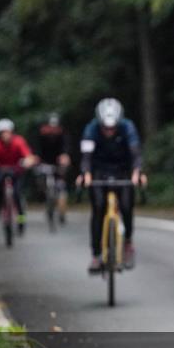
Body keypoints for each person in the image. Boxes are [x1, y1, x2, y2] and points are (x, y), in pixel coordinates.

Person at [79, 98, 145, 273]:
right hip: (99, 171)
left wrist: (137, 172)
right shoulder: (91, 129)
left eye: (112, 127)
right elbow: (86, 155)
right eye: (105, 128)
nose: (109, 131)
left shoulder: (127, 127)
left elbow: (135, 152)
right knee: (98, 208)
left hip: (123, 170)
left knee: (126, 206)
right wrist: (86, 174)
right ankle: (96, 255)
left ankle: (128, 242)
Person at [0, 118, 38, 233]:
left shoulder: (18, 141)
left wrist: (28, 161)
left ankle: (21, 219)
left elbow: (27, 155)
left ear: (12, 132)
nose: (5, 135)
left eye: (7, 132)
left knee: (17, 194)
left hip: (16, 171)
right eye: (3, 133)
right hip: (1, 171)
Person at [36, 112, 72, 223]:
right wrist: (35, 158)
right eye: (50, 127)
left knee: (61, 187)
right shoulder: (40, 135)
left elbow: (66, 148)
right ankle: (46, 197)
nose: (52, 130)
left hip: (58, 163)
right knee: (41, 179)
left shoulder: (63, 134)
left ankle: (62, 211)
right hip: (44, 163)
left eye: (55, 127)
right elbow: (35, 149)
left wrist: (65, 156)